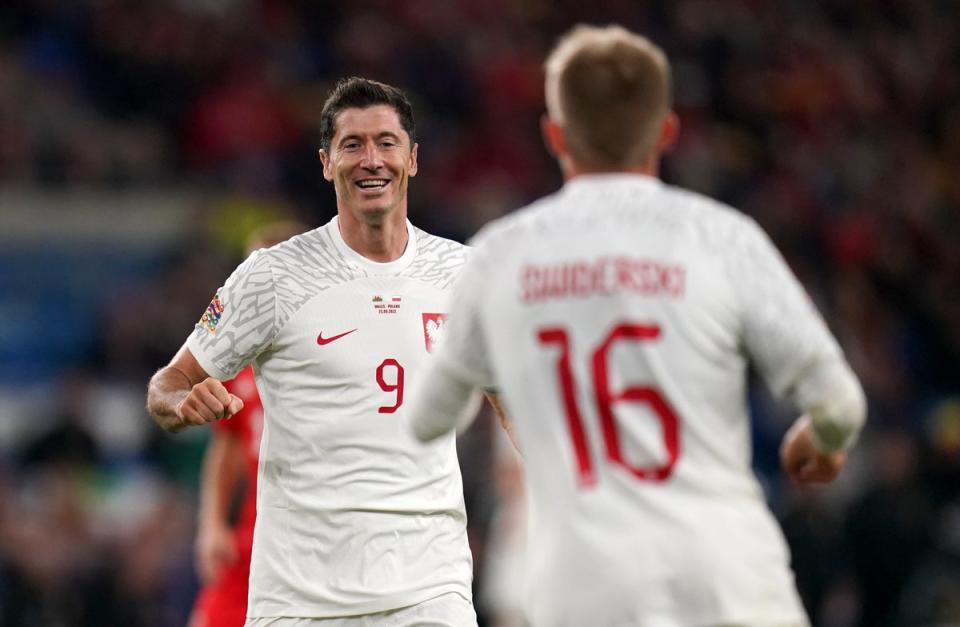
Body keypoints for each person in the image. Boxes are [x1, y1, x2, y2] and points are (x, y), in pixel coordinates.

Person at [407, 24, 867, 627]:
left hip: (584, 583)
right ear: (667, 131)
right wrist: (821, 441)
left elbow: (427, 418)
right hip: (727, 575)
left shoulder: (501, 255)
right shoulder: (723, 238)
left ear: (555, 134)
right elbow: (841, 403)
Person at [147, 77, 479, 626]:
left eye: (386, 142)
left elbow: (510, 397)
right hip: (302, 596)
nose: (371, 159)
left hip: (429, 586)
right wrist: (180, 404)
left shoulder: (462, 273)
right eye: (353, 145)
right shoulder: (272, 276)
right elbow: (168, 382)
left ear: (413, 159)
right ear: (326, 162)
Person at [188, 221, 307, 627]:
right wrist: (212, 523)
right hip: (254, 539)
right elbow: (227, 445)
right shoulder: (239, 362)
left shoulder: (333, 355)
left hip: (318, 543)